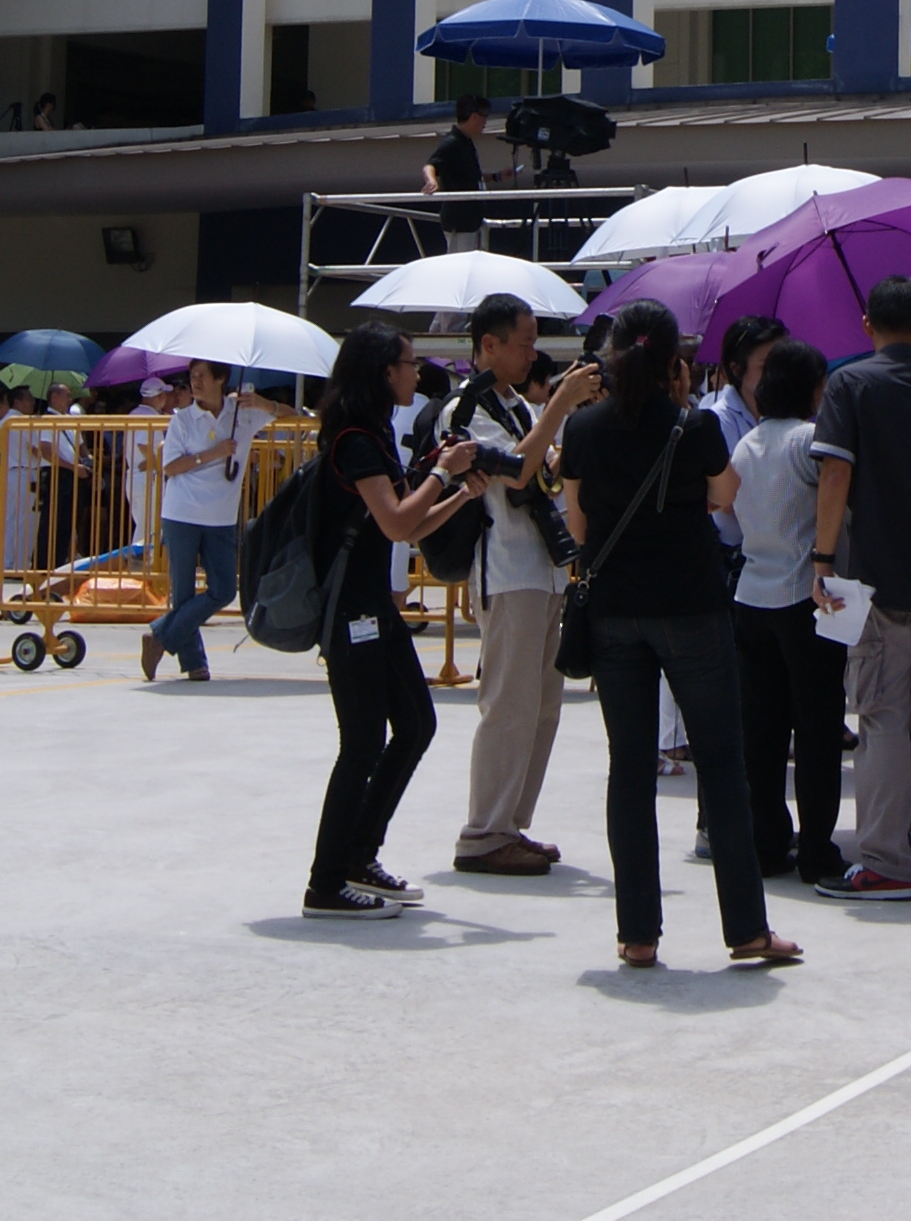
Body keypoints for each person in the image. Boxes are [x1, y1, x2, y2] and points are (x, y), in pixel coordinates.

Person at [561, 299, 801, 971]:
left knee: (630, 770)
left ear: (609, 355)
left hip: (613, 612)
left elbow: (577, 528)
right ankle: (746, 930)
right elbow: (726, 495)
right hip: (691, 606)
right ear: (674, 361)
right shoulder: (691, 426)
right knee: (722, 767)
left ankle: (638, 932)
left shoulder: (582, 428)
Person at [302, 325, 485, 917]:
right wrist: (442, 471)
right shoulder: (354, 439)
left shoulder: (376, 435)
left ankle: (359, 855)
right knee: (361, 744)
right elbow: (396, 523)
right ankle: (325, 883)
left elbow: (410, 522)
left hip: (373, 608)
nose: (417, 374)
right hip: (348, 613)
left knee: (414, 724)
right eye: (409, 364)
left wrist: (458, 491)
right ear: (385, 371)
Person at [812, 273, 911, 899]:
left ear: (867, 326)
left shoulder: (850, 383)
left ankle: (883, 860)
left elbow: (833, 477)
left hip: (875, 579)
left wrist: (822, 559)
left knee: (880, 717)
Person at [449, 292, 585, 876]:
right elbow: (517, 470)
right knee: (508, 704)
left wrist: (565, 424)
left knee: (543, 705)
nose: (534, 354)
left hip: (544, 568)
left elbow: (545, 469)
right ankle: (483, 832)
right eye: (525, 343)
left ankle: (509, 824)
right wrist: (558, 406)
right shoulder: (466, 406)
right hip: (506, 570)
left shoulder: (516, 406)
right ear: (489, 345)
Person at [728, 337, 847, 887]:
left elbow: (727, 511)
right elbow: (836, 485)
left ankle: (766, 841)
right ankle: (819, 849)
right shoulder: (811, 439)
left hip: (751, 594)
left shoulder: (746, 443)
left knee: (763, 732)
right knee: (818, 730)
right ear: (812, 388)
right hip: (807, 595)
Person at [142, 358, 273, 684]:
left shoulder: (241, 415)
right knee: (183, 593)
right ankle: (194, 663)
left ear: (220, 379)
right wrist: (212, 454)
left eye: (202, 376)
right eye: (192, 376)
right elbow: (170, 466)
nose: (195, 382)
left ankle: (159, 635)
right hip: (182, 514)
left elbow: (288, 413)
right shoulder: (183, 419)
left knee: (224, 589)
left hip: (221, 517)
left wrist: (263, 402)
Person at [422, 96, 490, 253]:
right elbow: (430, 165)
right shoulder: (452, 142)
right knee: (458, 265)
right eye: (484, 116)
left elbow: (469, 176)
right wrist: (432, 181)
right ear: (474, 116)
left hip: (471, 220)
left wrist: (497, 177)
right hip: (459, 222)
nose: (485, 122)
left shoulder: (466, 142)